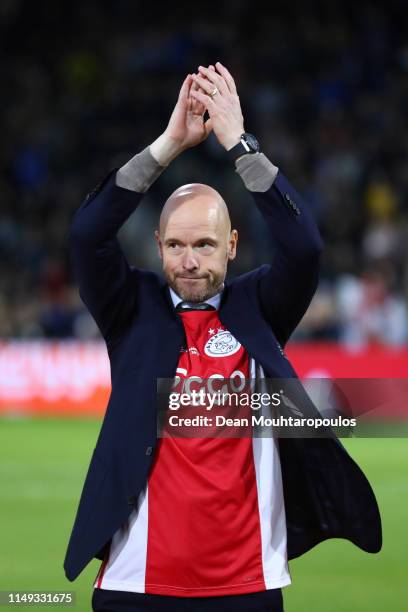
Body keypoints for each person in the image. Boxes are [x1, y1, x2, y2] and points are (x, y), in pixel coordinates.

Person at [64, 63, 382, 612]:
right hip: (134, 584)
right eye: (177, 246)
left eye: (206, 245)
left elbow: (304, 247)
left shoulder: (258, 307)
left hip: (246, 587)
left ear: (232, 245)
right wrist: (167, 146)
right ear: (158, 245)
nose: (189, 263)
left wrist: (240, 144)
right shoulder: (131, 310)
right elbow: (87, 233)